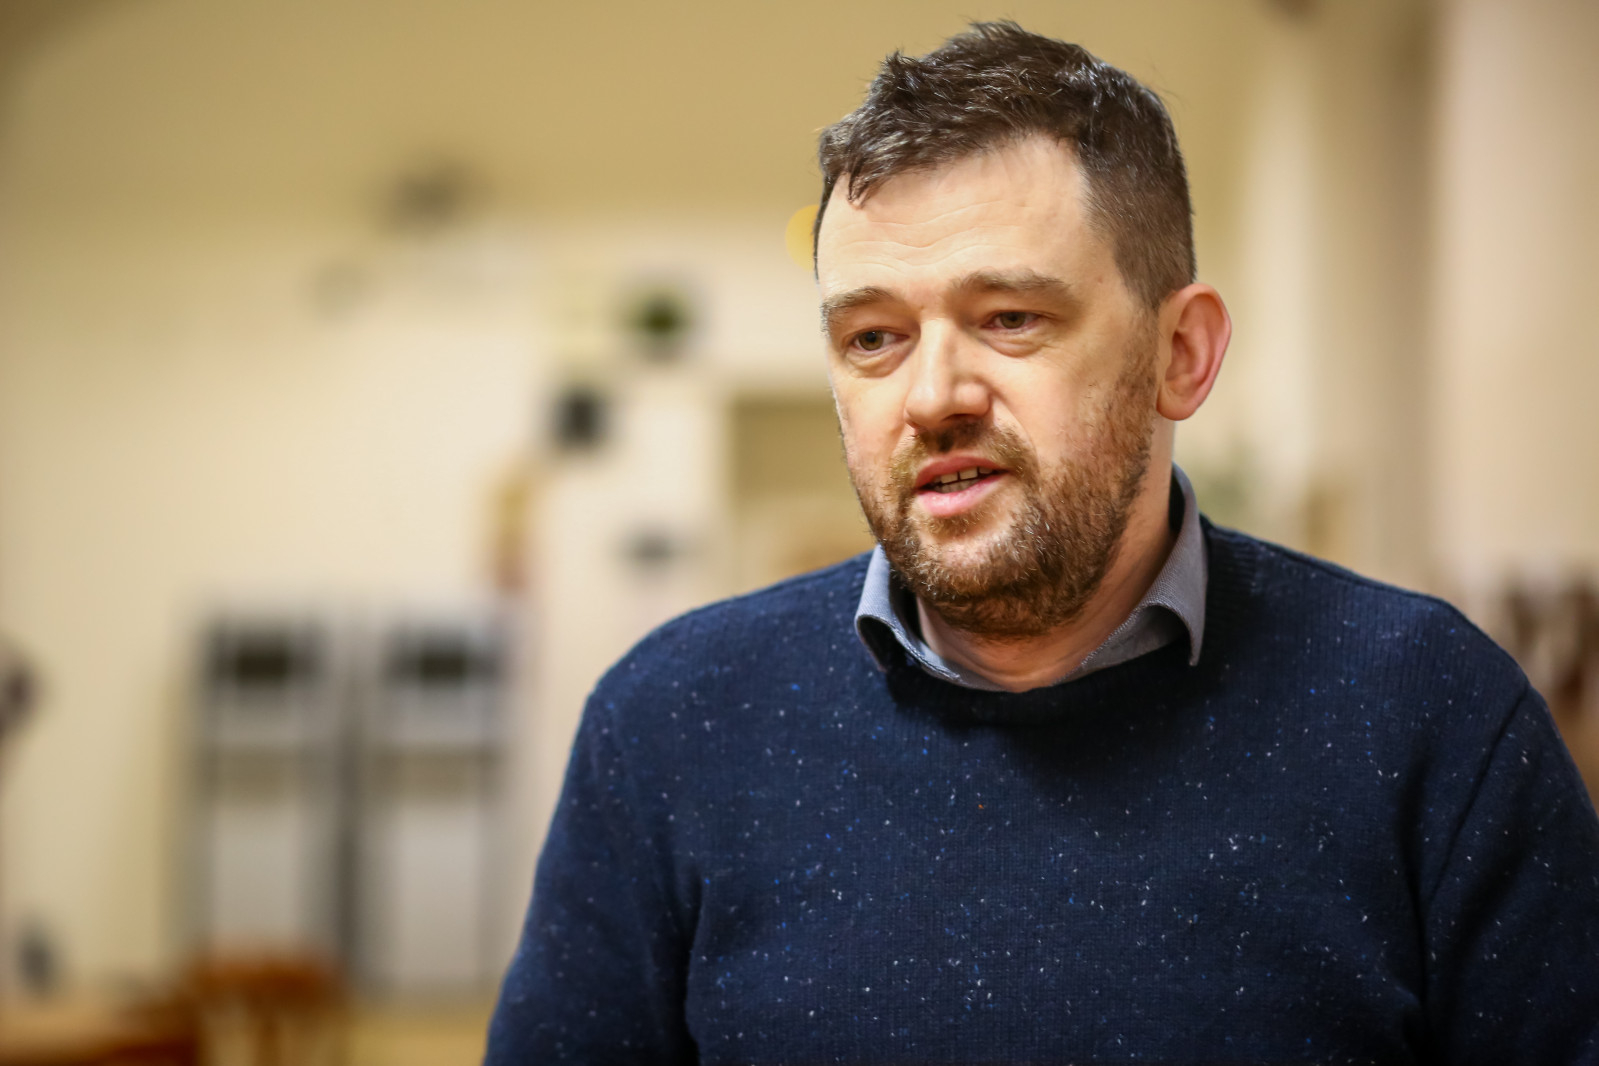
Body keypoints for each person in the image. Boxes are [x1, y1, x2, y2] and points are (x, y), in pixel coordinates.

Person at [485, 23, 1599, 1064]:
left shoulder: (1430, 715)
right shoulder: (669, 724)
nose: (933, 396)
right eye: (872, 338)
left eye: (1010, 319)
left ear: (1182, 353)